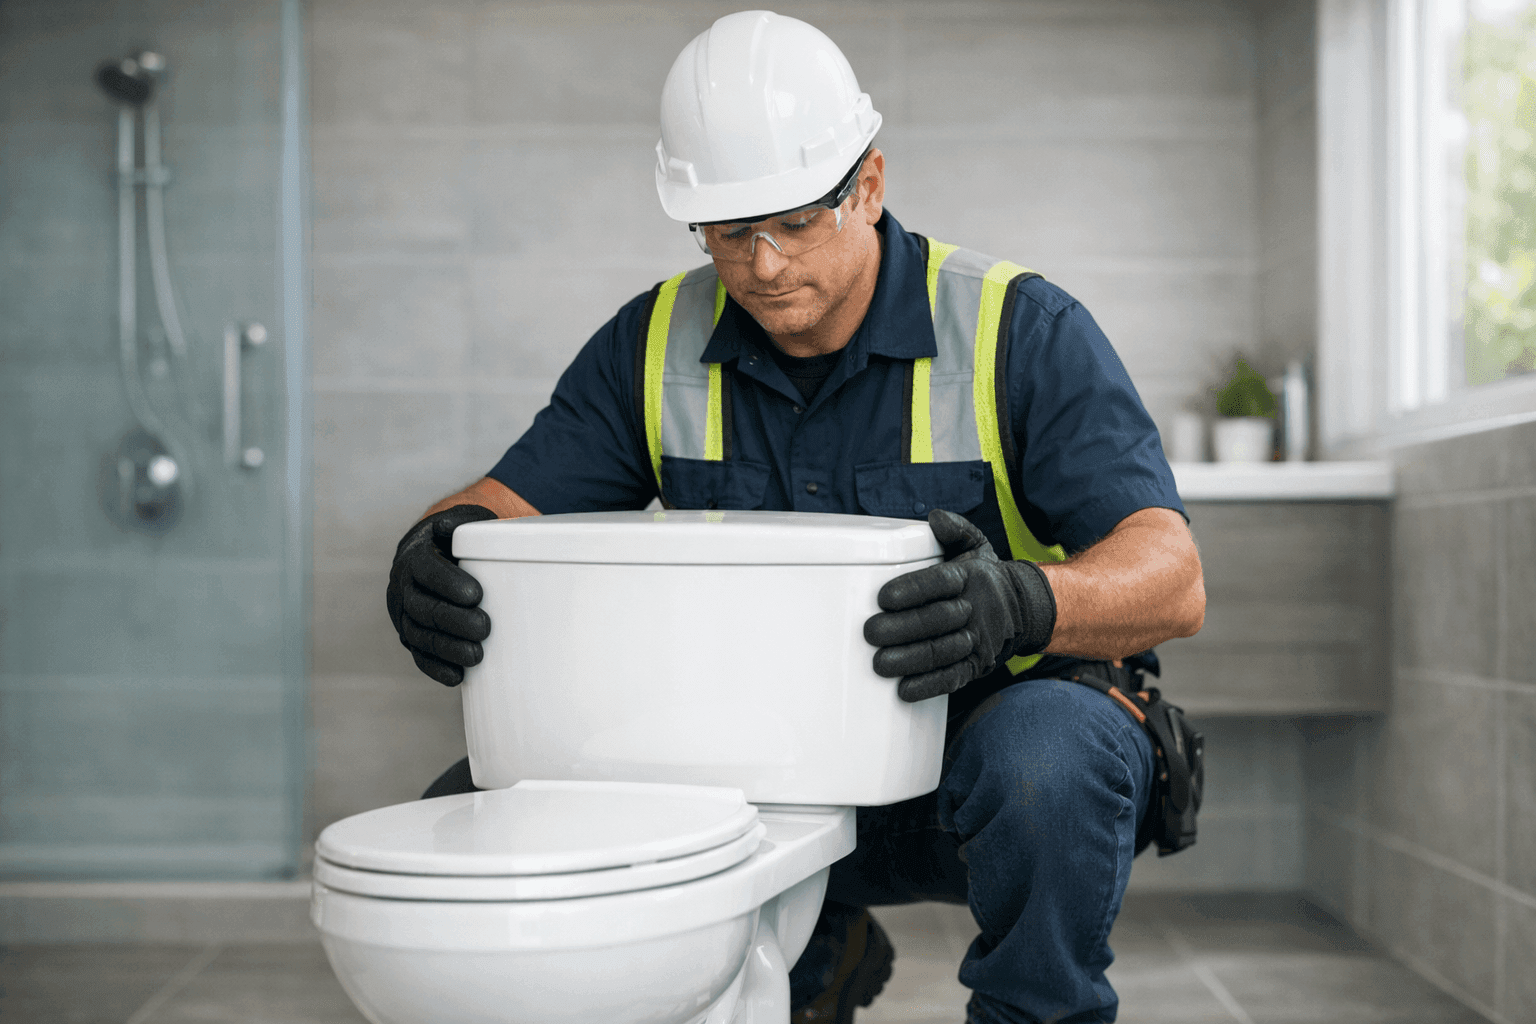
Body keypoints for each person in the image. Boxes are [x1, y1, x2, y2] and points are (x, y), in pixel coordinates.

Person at [385, 11, 1205, 1024]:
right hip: (755, 777)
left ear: (869, 186)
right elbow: (495, 509)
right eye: (731, 232)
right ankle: (813, 955)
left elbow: (1173, 576)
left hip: (987, 775)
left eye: (796, 222)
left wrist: (1019, 603)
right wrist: (428, 548)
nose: (765, 265)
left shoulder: (1019, 330)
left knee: (1047, 756)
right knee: (464, 815)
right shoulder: (653, 343)